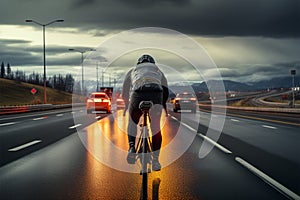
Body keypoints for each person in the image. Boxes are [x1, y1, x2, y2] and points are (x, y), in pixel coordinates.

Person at [122, 54, 169, 171]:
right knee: (156, 127)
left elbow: (124, 91)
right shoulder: (159, 71)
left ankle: (132, 148)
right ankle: (156, 160)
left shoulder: (133, 70)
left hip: (138, 94)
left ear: (138, 63)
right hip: (156, 94)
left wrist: (126, 106)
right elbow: (166, 90)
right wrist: (163, 106)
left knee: (132, 121)